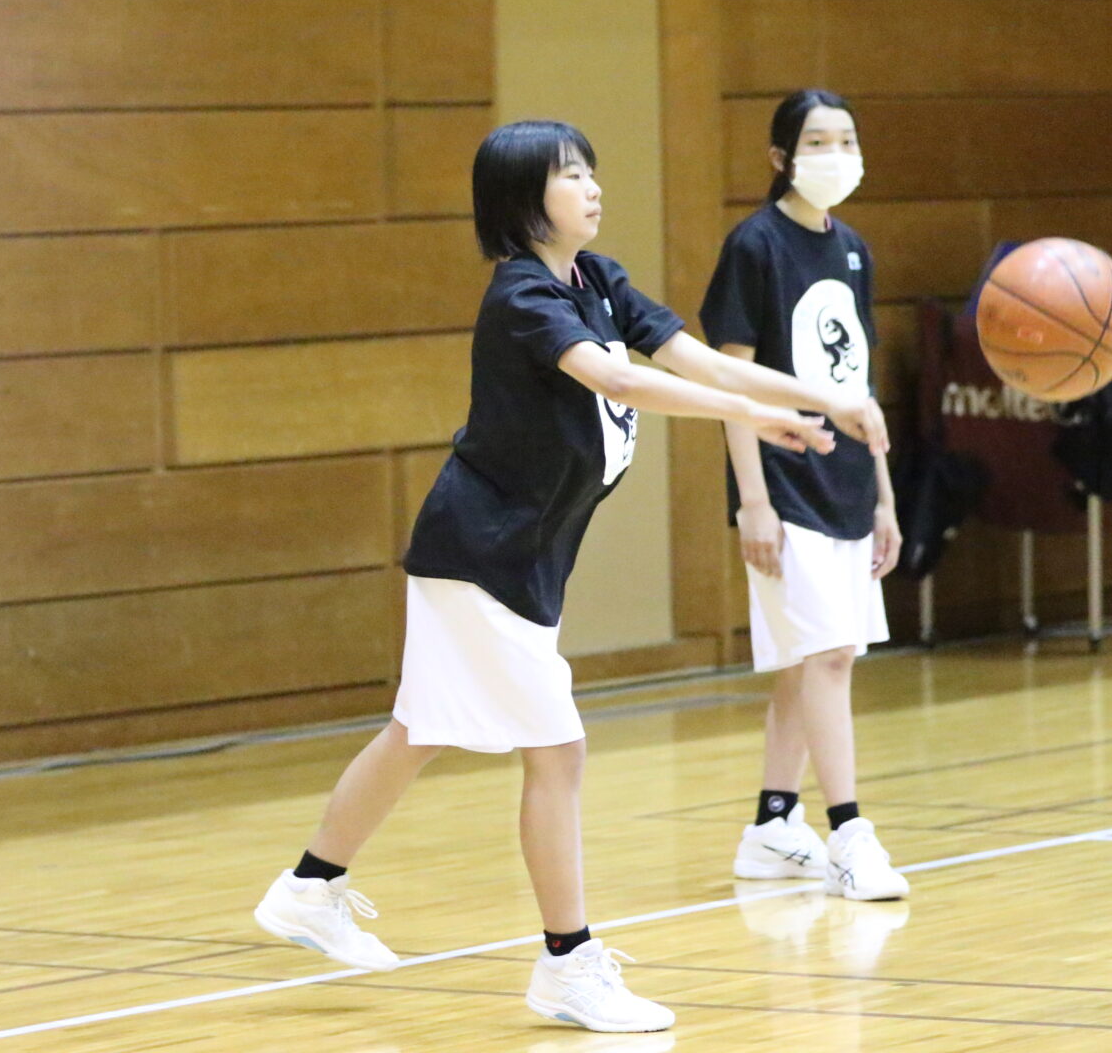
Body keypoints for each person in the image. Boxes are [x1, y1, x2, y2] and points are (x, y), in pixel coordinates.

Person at [254, 119, 888, 1033]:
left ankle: (309, 889)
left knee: (418, 730)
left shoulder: (599, 280)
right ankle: (568, 962)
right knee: (558, 752)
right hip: (483, 553)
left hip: (508, 557)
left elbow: (692, 357)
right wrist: (755, 415)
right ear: (524, 201)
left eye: (592, 169)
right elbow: (620, 383)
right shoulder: (522, 296)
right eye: (570, 175)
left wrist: (818, 397)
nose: (592, 187)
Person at [699, 89, 909, 903]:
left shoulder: (853, 248)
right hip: (785, 482)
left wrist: (885, 496)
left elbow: (860, 384)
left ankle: (773, 825)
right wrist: (751, 499)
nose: (837, 154)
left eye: (847, 139)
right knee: (825, 657)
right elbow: (730, 383)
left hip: (850, 482)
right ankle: (851, 831)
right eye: (817, 140)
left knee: (817, 656)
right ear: (780, 156)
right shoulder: (754, 245)